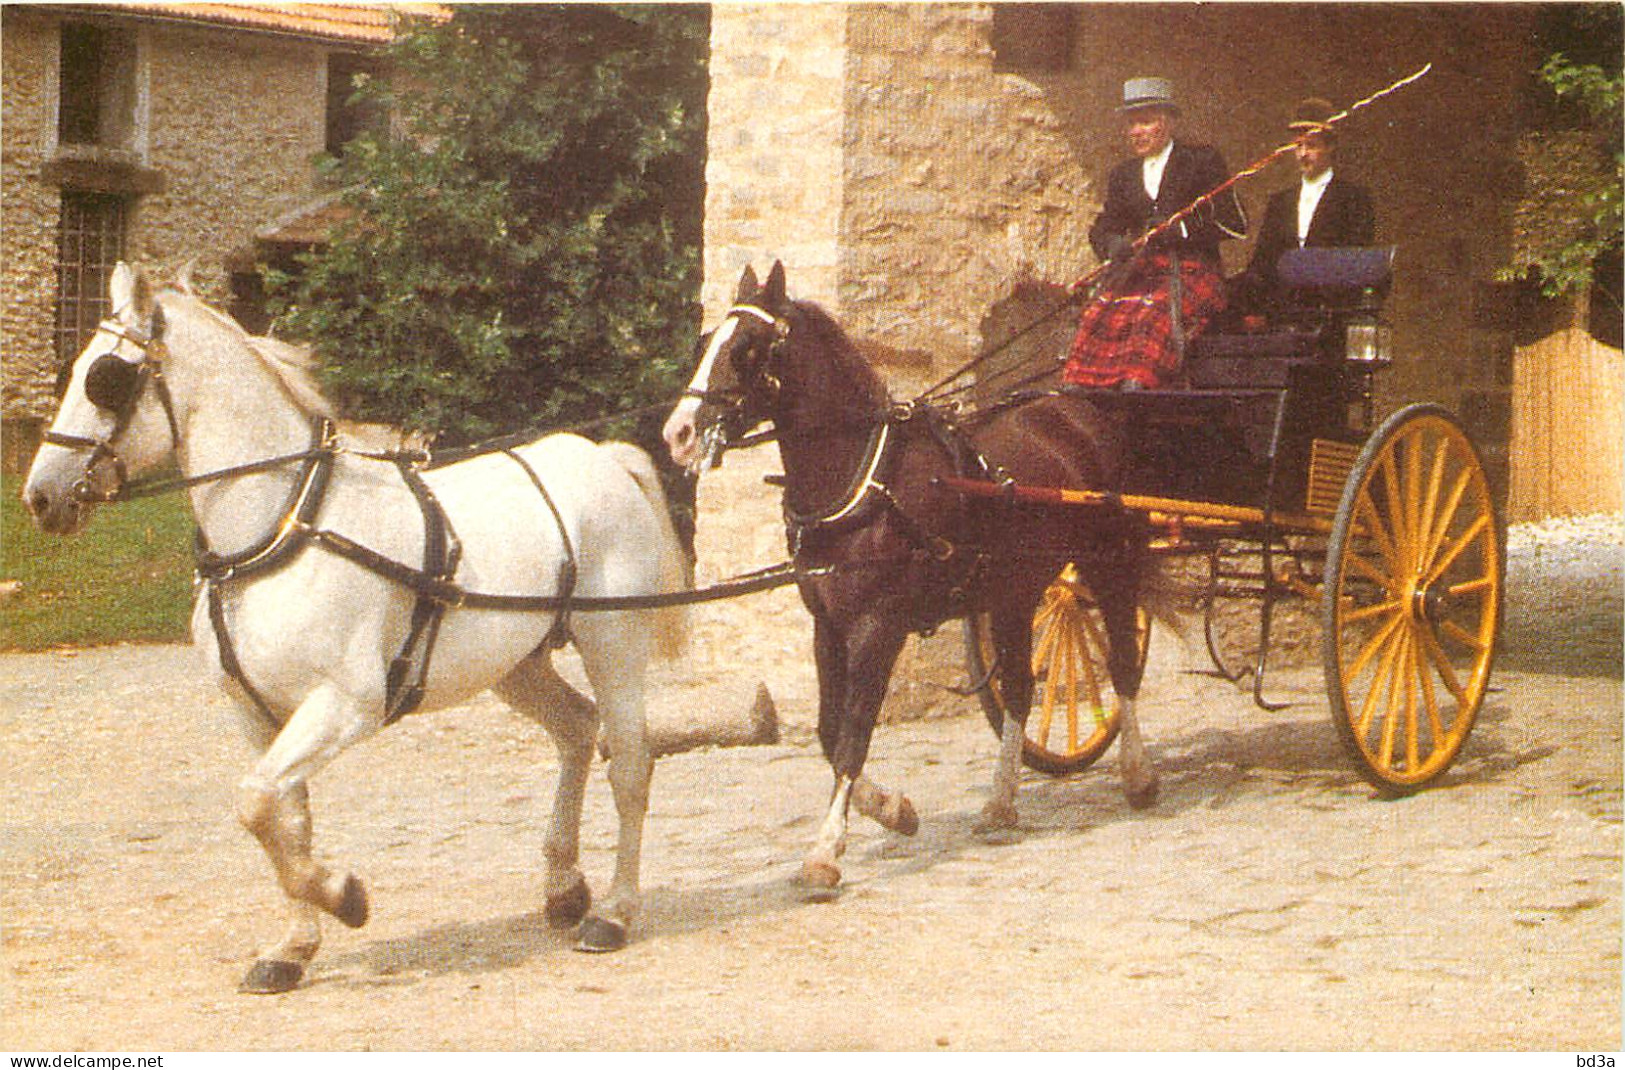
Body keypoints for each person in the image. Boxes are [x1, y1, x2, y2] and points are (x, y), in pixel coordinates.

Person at [1062, 77, 1247, 390]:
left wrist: (1182, 231)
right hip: (1143, 271)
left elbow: (1235, 223)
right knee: (1098, 312)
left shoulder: (1201, 161)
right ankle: (1086, 383)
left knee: (1151, 315)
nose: (1136, 132)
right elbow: (1105, 224)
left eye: (1145, 123)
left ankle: (1140, 380)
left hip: (1191, 271)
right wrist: (1111, 244)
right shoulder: (1123, 175)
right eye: (1132, 124)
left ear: (1169, 122)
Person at [1231, 97, 1376, 322]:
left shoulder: (1354, 199)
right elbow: (1262, 261)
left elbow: (1353, 262)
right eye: (1298, 146)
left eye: (1312, 145)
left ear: (1330, 147)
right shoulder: (1280, 202)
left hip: (1332, 313)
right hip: (1282, 313)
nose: (1303, 154)